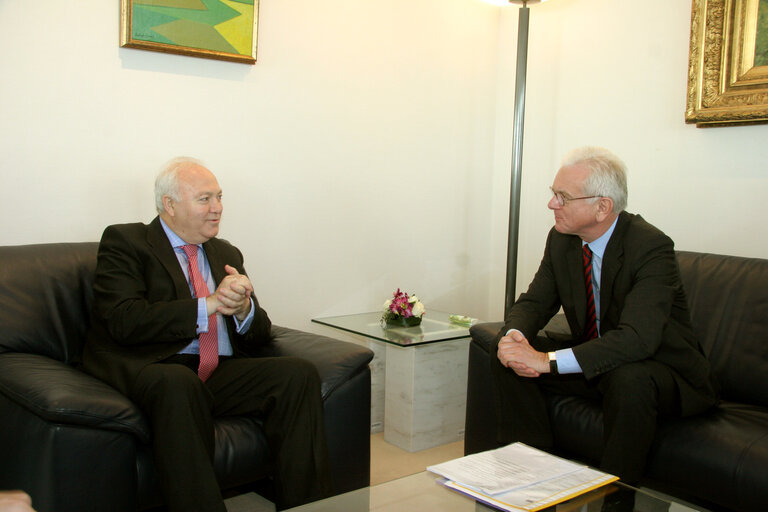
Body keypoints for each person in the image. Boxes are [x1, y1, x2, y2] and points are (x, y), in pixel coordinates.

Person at [82, 157, 331, 511]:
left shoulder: (225, 252)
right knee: (178, 382)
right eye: (204, 199)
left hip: (216, 371)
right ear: (169, 204)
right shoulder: (127, 241)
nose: (217, 209)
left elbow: (259, 334)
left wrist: (243, 309)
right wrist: (210, 304)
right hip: (156, 366)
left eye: (219, 197)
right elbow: (124, 320)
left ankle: (309, 507)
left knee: (297, 374)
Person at [491, 146, 716, 483]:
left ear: (602, 207)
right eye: (553, 194)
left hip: (662, 372)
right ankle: (531, 478)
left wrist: (547, 361)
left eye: (562, 197)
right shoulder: (562, 239)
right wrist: (514, 338)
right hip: (600, 364)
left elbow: (638, 339)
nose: (552, 204)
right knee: (505, 353)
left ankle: (614, 497)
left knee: (630, 377)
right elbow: (535, 303)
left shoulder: (651, 247)